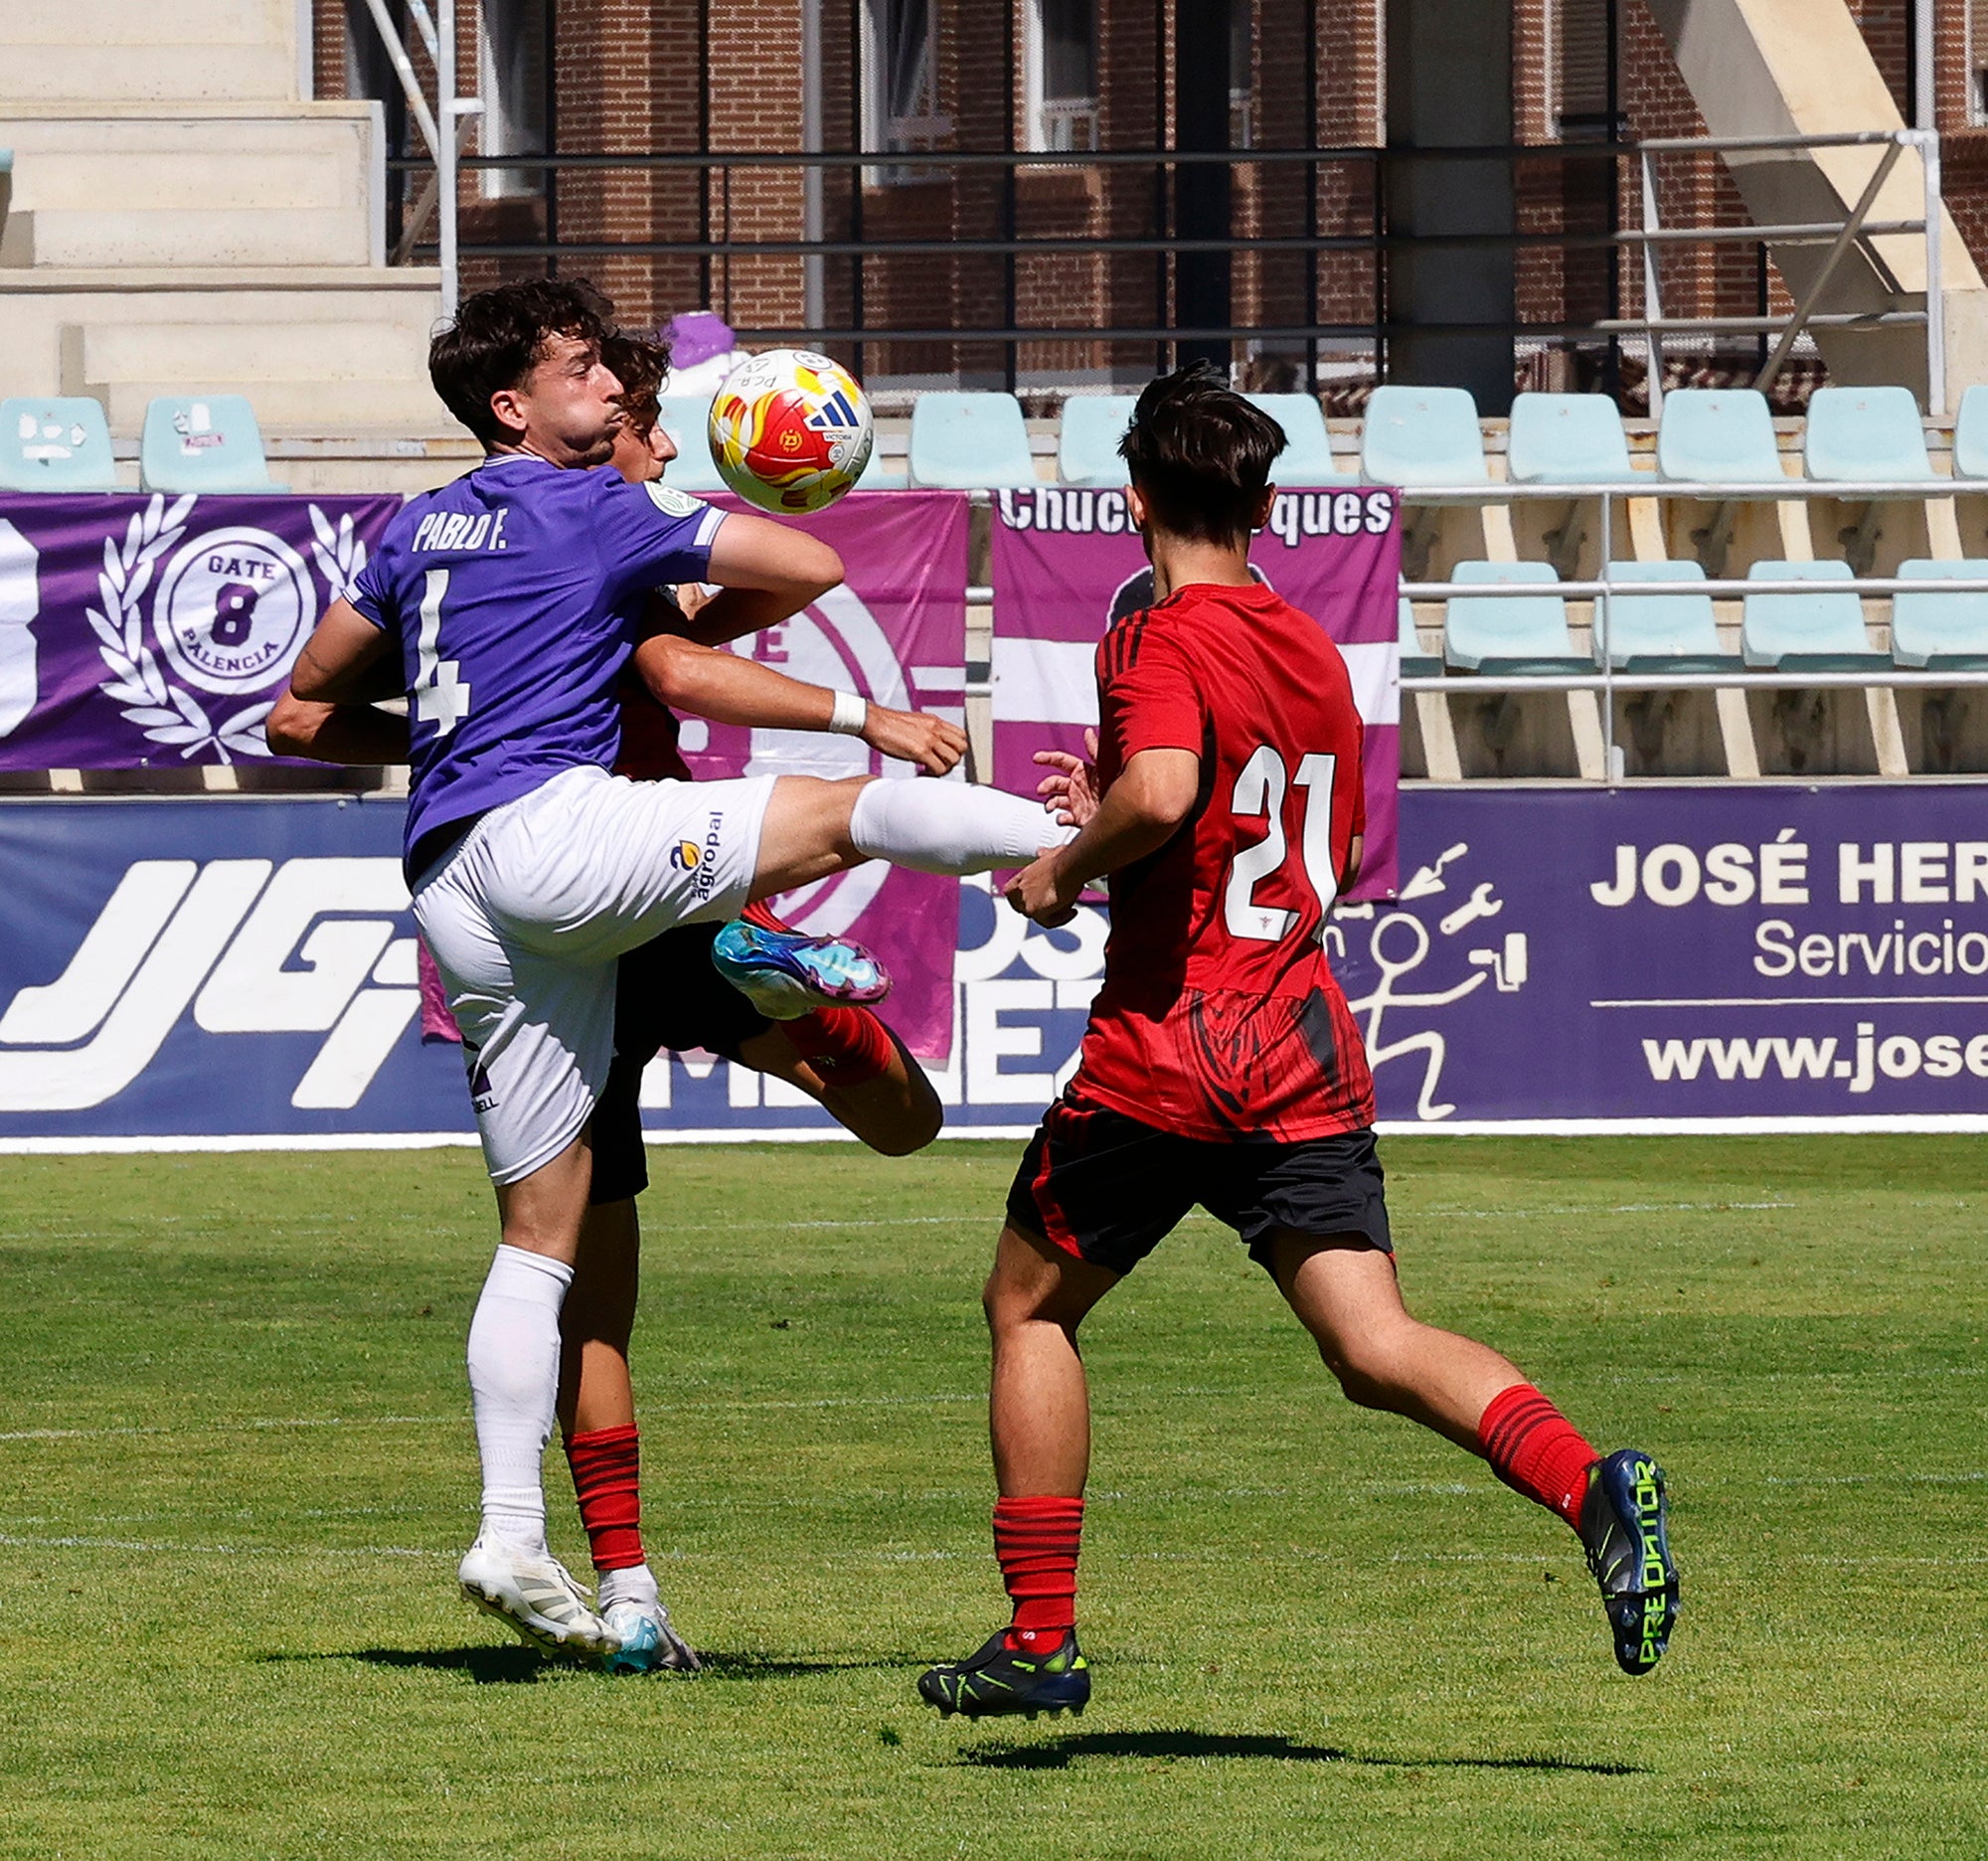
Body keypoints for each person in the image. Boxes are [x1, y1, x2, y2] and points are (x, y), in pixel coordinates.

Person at [275, 277, 1067, 1662]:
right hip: (598, 879)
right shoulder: (601, 525)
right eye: (611, 399)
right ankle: (1077, 854)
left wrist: (462, 745)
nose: (639, 433)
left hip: (479, 890)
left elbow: (297, 709)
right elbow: (709, 655)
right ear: (529, 410)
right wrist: (861, 709)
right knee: (840, 808)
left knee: (567, 1242)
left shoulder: (425, 533)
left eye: (637, 409)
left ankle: (515, 1539)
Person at [915, 364, 1679, 1722]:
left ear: (1133, 496)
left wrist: (1064, 868)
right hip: (1302, 1046)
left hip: (1173, 1043)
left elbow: (1165, 790)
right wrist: (1122, 814)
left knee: (1026, 1308)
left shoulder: (1155, 632)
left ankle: (1038, 1645)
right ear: (1263, 502)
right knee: (1373, 1345)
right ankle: (1587, 1481)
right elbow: (1226, 806)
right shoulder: (1314, 648)